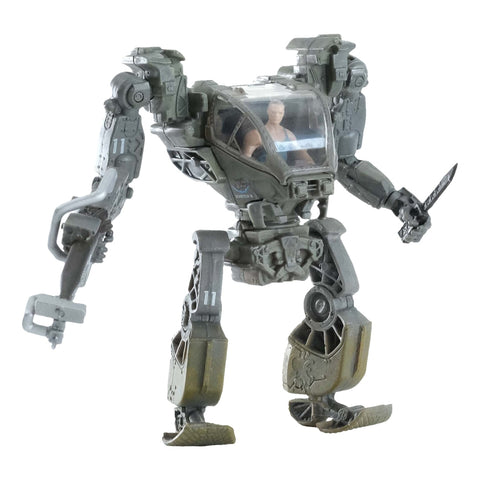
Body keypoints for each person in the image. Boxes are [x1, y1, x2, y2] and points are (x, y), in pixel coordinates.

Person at [242, 100, 314, 165]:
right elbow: (246, 161)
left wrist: (310, 162)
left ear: (283, 113)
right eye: (273, 112)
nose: (276, 116)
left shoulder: (288, 134)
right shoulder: (256, 134)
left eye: (280, 113)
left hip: (283, 172)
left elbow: (300, 152)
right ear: (268, 112)